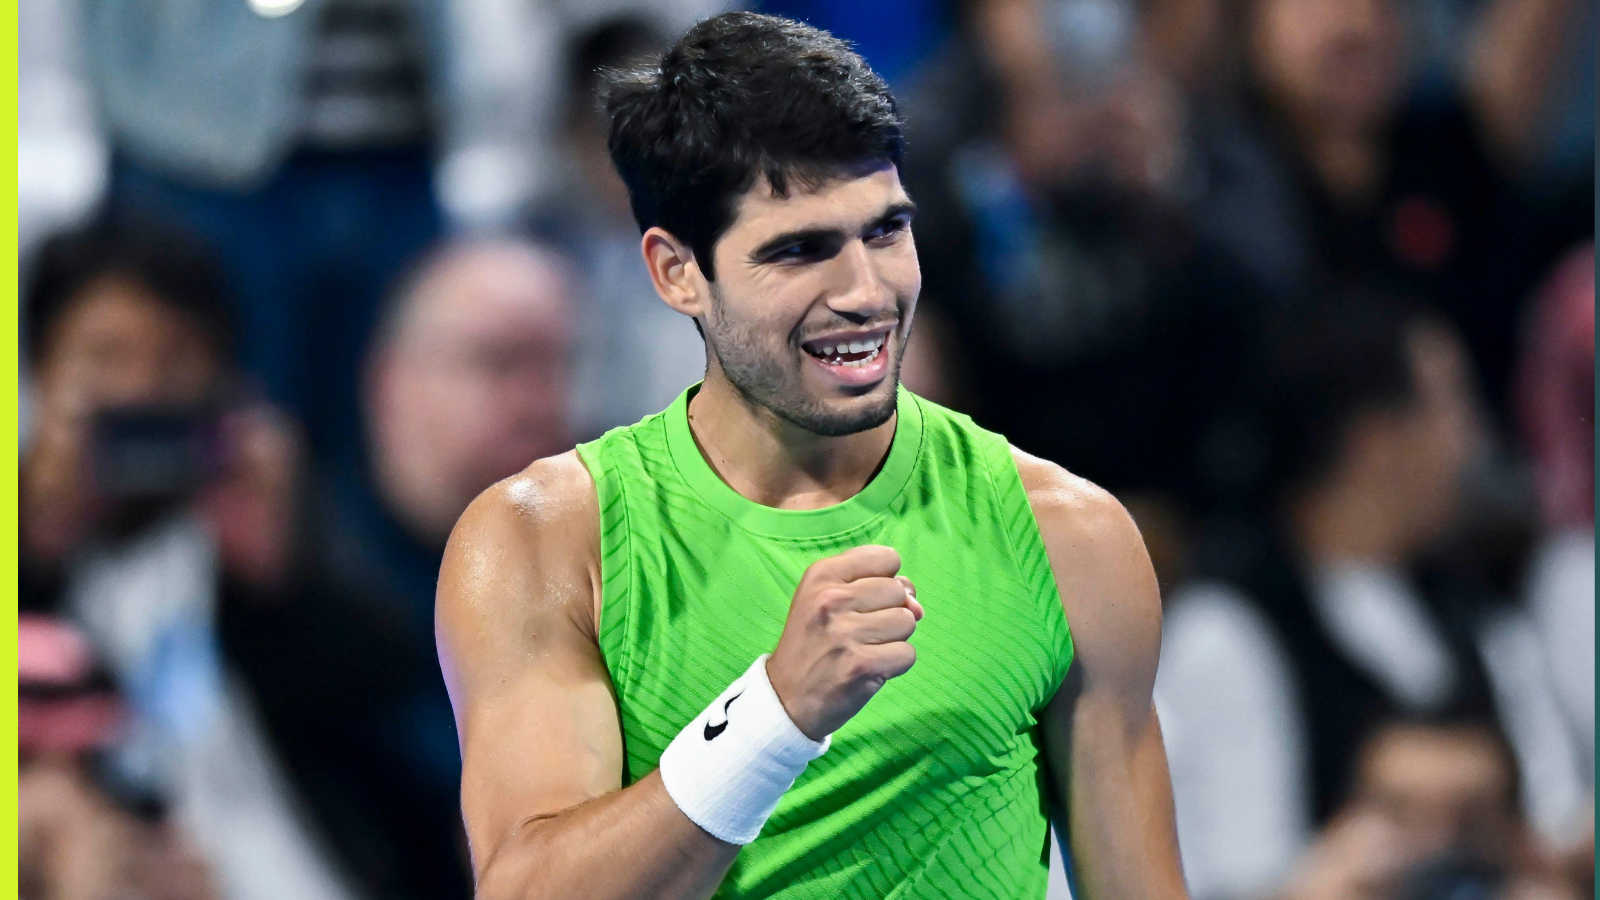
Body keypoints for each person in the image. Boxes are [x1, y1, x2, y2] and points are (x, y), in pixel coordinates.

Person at [437, 13, 1185, 899]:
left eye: (886, 231)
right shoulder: (548, 544)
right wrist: (773, 718)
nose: (865, 292)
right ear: (678, 271)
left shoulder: (1068, 537)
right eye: (800, 250)